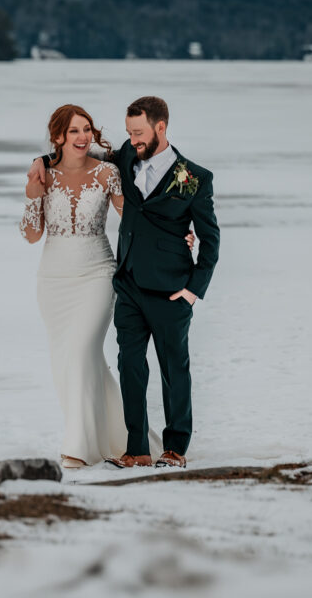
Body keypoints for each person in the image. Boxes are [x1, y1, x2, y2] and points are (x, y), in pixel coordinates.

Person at [28, 95, 220, 469]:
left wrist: (193, 289)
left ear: (160, 128)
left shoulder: (194, 178)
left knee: (172, 369)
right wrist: (42, 160)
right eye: (130, 133)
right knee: (130, 365)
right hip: (128, 283)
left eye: (138, 132)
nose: (132, 140)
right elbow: (79, 158)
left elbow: (211, 240)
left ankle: (175, 448)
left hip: (171, 288)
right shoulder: (127, 159)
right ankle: (137, 450)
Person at [20, 104, 162, 469]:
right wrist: (33, 196)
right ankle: (125, 437)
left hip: (96, 275)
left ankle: (77, 448)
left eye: (87, 129)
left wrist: (177, 238)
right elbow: (32, 236)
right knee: (70, 363)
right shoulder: (43, 175)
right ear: (58, 138)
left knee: (82, 352)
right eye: (74, 132)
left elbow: (134, 218)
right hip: (52, 281)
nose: (83, 137)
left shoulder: (108, 173)